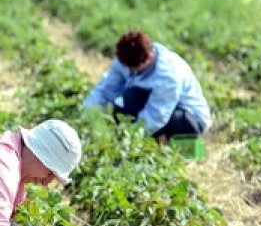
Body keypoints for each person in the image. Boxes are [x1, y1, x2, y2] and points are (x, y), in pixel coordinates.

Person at [83, 29, 211, 144]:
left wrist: (127, 138)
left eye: (134, 69)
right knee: (123, 103)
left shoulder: (167, 74)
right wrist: (87, 114)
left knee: (164, 120)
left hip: (188, 118)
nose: (130, 72)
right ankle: (155, 138)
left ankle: (162, 141)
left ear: (149, 58)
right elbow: (105, 90)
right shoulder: (125, 59)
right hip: (155, 107)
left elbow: (157, 116)